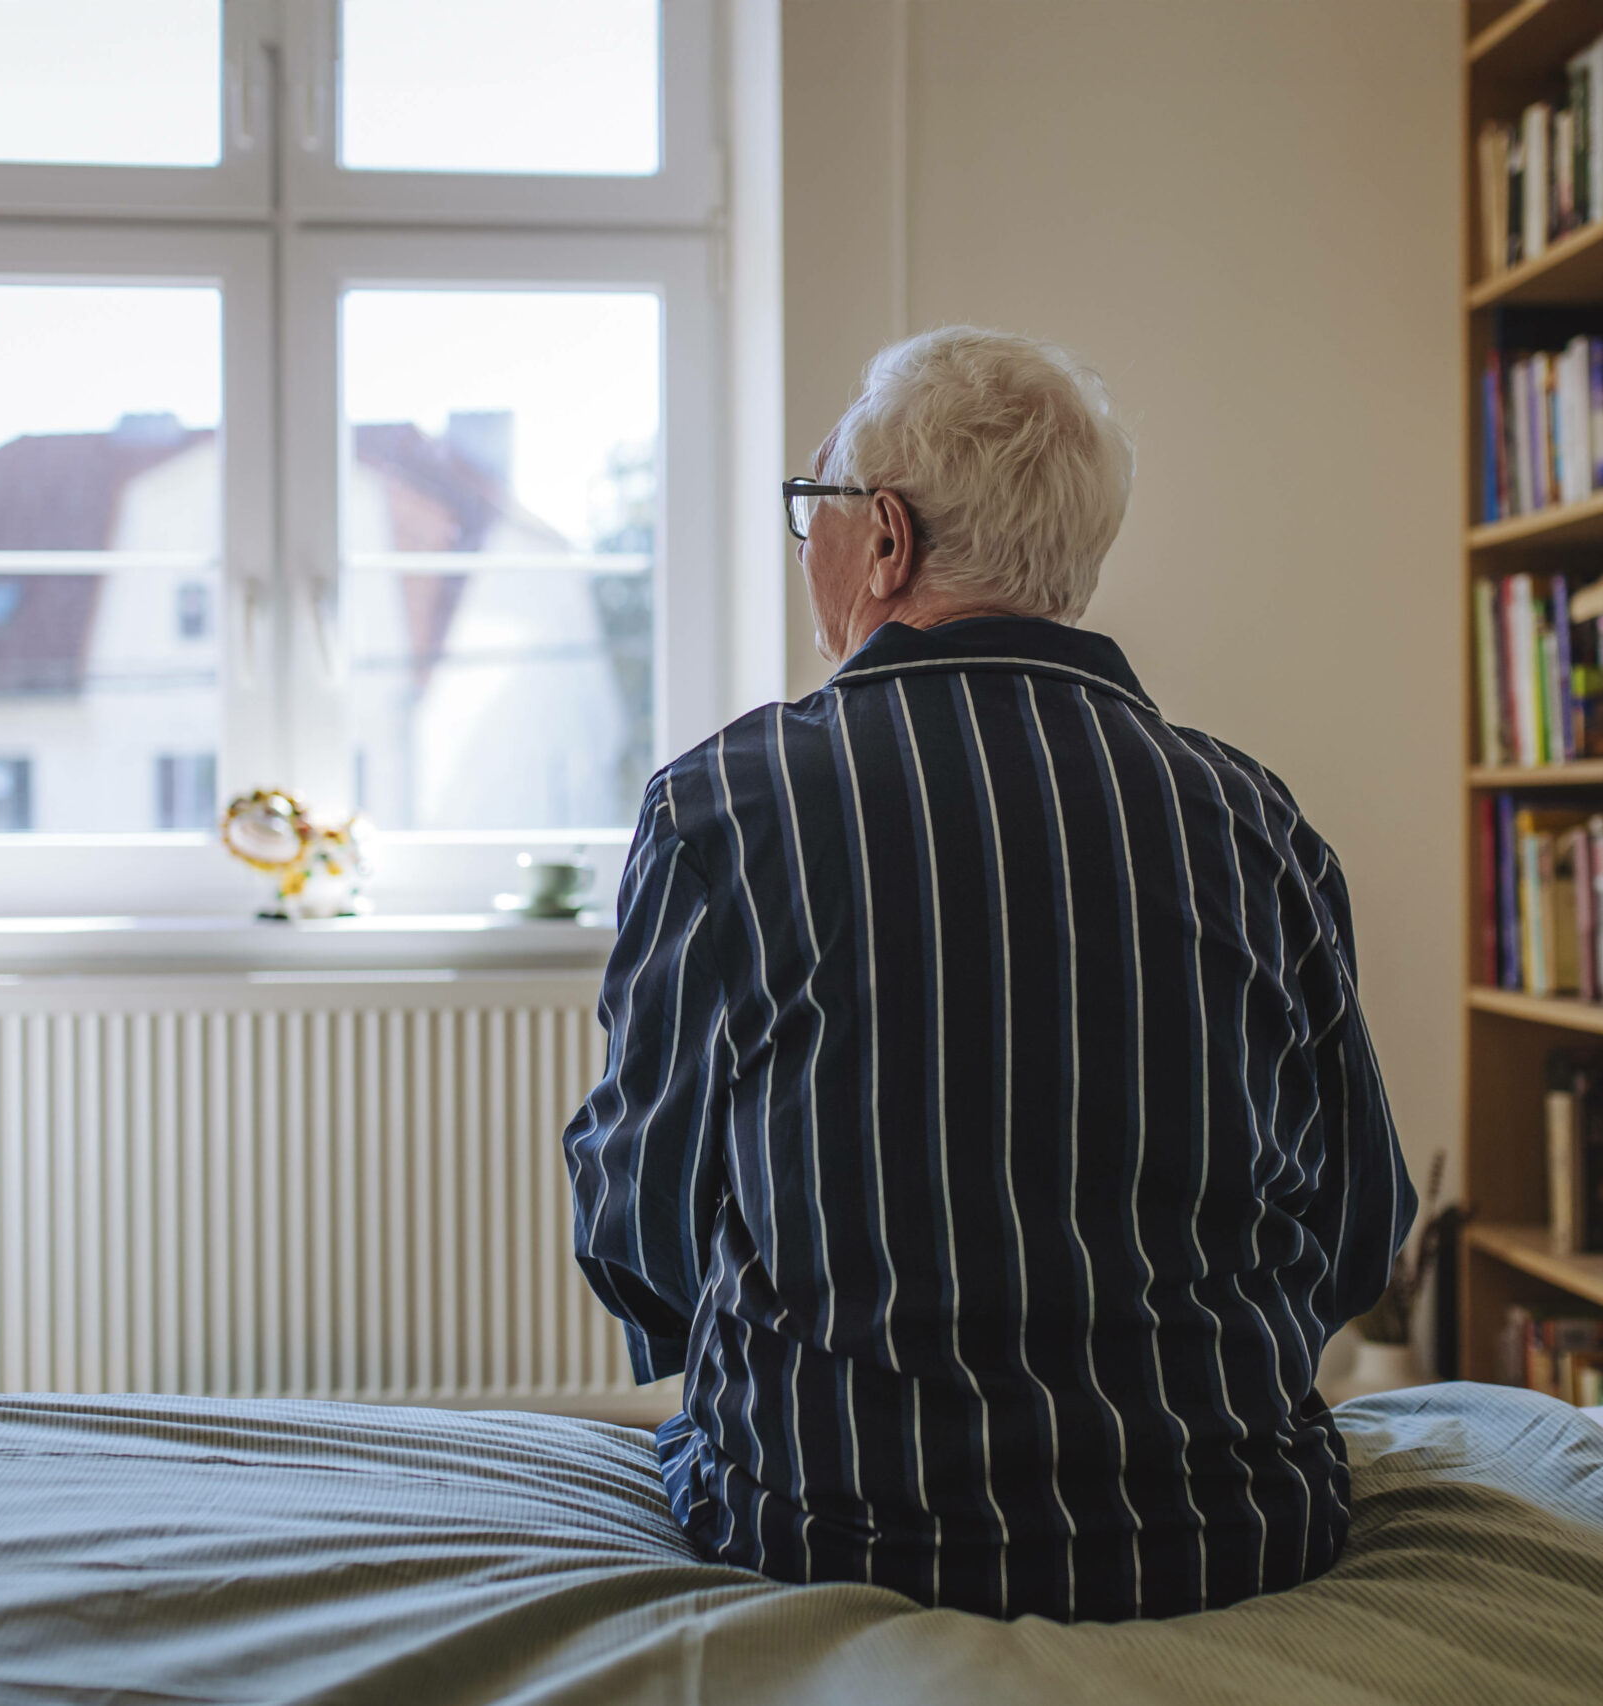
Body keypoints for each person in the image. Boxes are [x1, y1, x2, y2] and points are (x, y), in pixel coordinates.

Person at [563, 326, 1413, 1622]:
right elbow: (1359, 1217)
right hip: (1223, 1529)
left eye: (819, 511)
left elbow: (641, 1213)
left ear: (887, 539)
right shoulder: (1255, 819)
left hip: (829, 1524)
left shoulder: (730, 807)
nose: (813, 548)